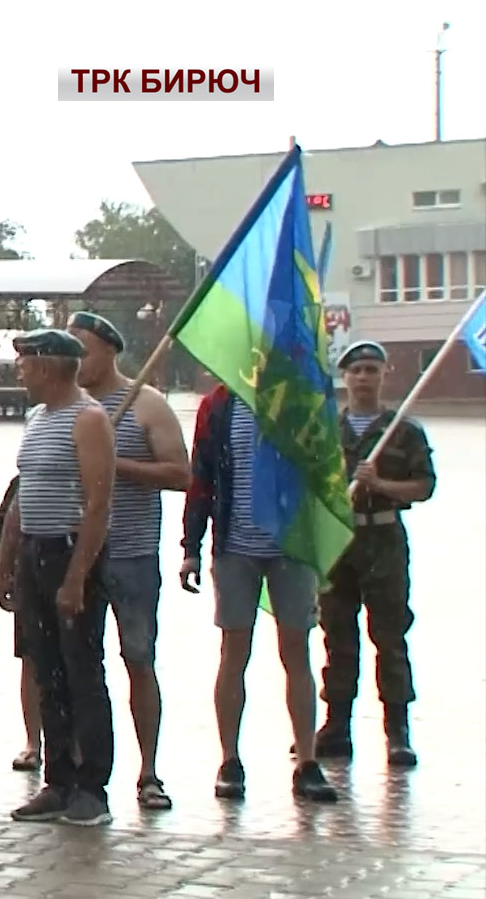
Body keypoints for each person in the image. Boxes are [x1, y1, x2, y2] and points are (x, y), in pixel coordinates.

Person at [182, 379, 340, 804]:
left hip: (291, 547)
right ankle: (230, 760)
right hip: (235, 546)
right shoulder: (218, 404)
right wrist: (191, 547)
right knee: (234, 651)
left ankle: (307, 761)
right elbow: (201, 475)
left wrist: (323, 547)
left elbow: (324, 472)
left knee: (297, 651)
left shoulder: (298, 398)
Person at [0, 329, 118, 827]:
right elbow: (24, 490)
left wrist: (77, 577)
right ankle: (58, 780)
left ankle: (92, 787)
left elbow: (98, 505)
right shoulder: (36, 418)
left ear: (48, 367)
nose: (20, 372)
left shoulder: (88, 419)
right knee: (45, 669)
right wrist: (9, 556)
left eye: (26, 364)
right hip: (34, 551)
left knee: (81, 672)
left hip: (70, 554)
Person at [68, 311, 188, 811]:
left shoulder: (146, 405)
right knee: (76, 665)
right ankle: (78, 767)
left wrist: (115, 464)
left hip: (132, 552)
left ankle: (149, 771)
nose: (76, 361)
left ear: (110, 350)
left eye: (85, 349)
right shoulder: (64, 407)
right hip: (75, 553)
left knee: (138, 658)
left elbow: (181, 473)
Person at [317, 341, 435, 766]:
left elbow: (424, 487)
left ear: (384, 374)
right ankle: (336, 727)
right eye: (355, 370)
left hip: (383, 540)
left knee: (389, 636)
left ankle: (397, 731)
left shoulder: (403, 430)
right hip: (340, 543)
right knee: (337, 637)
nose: (363, 377)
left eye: (371, 369)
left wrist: (382, 485)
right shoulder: (327, 428)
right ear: (344, 378)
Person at [0, 476, 45, 771]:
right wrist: (8, 565)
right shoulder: (25, 481)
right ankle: (33, 742)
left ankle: (74, 745)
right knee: (30, 660)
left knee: (77, 664)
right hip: (30, 577)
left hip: (68, 573)